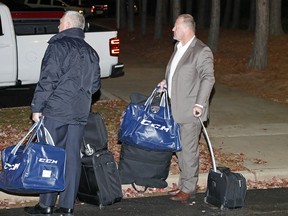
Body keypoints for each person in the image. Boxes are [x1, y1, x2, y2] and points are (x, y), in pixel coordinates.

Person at [24, 11, 101, 215]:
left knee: (50, 156)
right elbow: (95, 86)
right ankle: (67, 206)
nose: (58, 26)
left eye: (59, 23)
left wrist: (37, 108)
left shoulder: (58, 46)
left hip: (56, 112)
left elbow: (48, 79)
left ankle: (46, 204)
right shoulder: (91, 52)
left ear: (67, 24)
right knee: (72, 158)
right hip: (79, 113)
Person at [158, 14, 215, 201]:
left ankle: (188, 189)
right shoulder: (178, 47)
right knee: (180, 150)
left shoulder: (201, 50)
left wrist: (200, 103)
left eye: (175, 27)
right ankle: (184, 184)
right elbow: (179, 73)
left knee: (189, 151)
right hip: (175, 109)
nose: (172, 30)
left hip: (190, 110)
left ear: (186, 28)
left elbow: (208, 78)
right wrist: (167, 82)